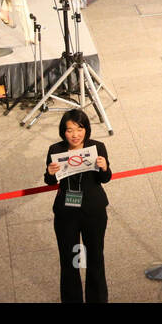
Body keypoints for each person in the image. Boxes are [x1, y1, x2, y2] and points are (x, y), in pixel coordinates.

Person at [44, 110, 110, 303]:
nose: (75, 135)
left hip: (93, 211)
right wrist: (49, 173)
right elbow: (50, 181)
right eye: (70, 130)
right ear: (63, 132)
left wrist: (105, 167)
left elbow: (104, 178)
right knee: (69, 261)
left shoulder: (97, 147)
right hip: (67, 214)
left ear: (86, 129)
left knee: (95, 258)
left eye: (79, 129)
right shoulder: (55, 150)